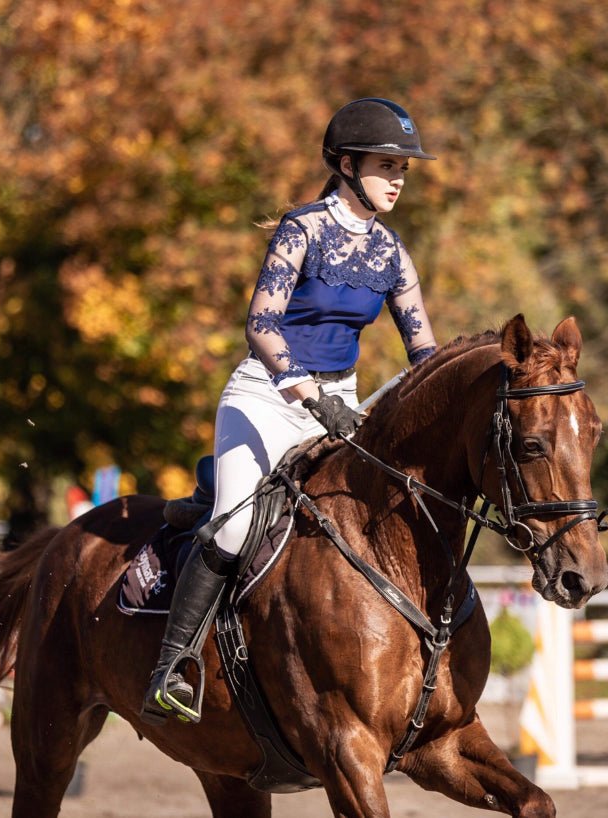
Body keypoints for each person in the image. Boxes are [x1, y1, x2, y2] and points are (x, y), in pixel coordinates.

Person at [141, 98, 440, 724]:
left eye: (403, 170)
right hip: (267, 395)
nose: (397, 180)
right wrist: (308, 392)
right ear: (347, 164)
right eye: (387, 166)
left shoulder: (392, 254)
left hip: (343, 403)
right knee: (230, 527)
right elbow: (260, 324)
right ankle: (173, 664)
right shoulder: (301, 230)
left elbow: (423, 355)